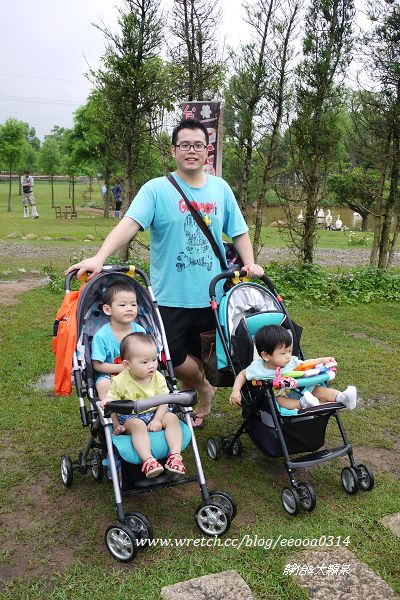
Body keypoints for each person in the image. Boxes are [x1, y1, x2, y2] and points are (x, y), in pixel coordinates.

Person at [67, 118, 264, 429]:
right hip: (169, 296)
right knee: (169, 355)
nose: (191, 151)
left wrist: (249, 263)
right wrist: (99, 257)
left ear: (207, 151)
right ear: (173, 151)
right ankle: (203, 389)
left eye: (198, 145)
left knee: (212, 355)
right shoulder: (156, 190)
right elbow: (129, 224)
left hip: (214, 295)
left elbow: (239, 231)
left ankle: (201, 400)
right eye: (184, 145)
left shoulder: (221, 189)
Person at [101, 332, 186, 478]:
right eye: (145, 362)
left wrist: (158, 419)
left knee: (172, 418)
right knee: (138, 425)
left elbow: (164, 400)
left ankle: (175, 457)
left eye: (154, 359)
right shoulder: (120, 381)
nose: (151, 365)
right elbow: (112, 406)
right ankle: (148, 460)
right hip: (131, 417)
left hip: (155, 413)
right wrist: (116, 424)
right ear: (127, 365)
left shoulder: (158, 377)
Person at [229, 324, 357, 413]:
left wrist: (322, 360)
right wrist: (236, 391)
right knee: (279, 401)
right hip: (281, 395)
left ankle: (342, 397)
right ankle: (303, 404)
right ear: (266, 356)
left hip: (301, 389)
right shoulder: (258, 367)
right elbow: (242, 374)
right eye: (283, 353)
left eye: (290, 351)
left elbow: (306, 363)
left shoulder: (291, 362)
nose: (288, 356)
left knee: (318, 389)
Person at [91, 282, 146, 433]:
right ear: (107, 309)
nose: (129, 308)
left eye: (133, 304)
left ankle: (149, 414)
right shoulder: (102, 336)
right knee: (102, 384)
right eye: (122, 305)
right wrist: (123, 368)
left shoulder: (140, 331)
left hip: (138, 374)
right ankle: (115, 422)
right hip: (112, 376)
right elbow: (97, 365)